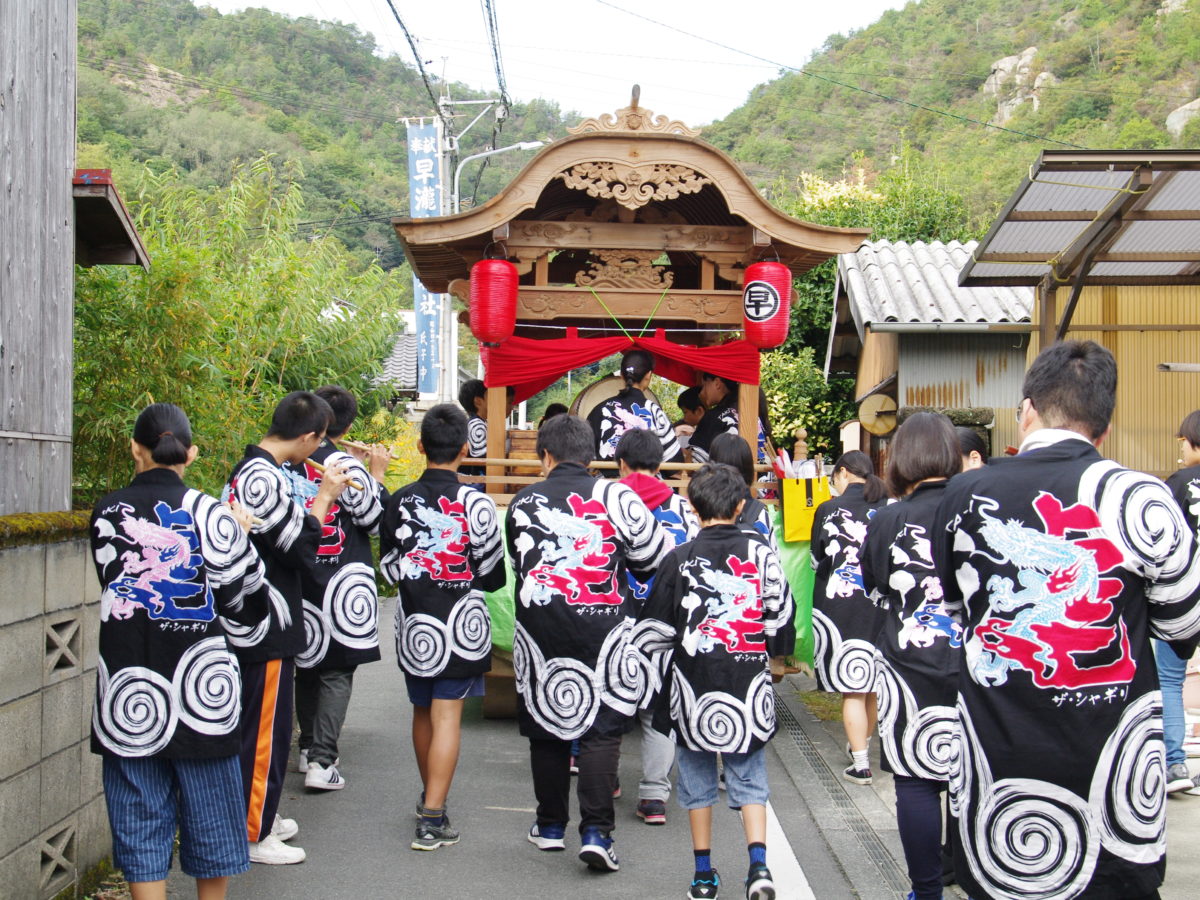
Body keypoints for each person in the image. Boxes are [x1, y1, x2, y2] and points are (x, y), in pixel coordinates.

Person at [935, 340, 1200, 900]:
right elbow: (1183, 627)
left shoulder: (963, 494)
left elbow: (963, 613)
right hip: (1115, 766)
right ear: (1104, 426)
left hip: (999, 756)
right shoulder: (1144, 499)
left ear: (1026, 409)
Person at [89, 403, 270, 900]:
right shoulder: (213, 515)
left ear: (135, 447)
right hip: (202, 692)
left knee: (139, 816)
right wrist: (241, 536)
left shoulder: (107, 512)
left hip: (129, 689)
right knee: (212, 812)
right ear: (190, 453)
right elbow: (247, 613)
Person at [505, 414, 670, 872]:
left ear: (545, 456)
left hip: (540, 629)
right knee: (603, 728)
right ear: (593, 455)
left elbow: (522, 565)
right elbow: (651, 560)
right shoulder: (618, 496)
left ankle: (551, 825)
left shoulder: (523, 502)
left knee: (546, 722)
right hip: (605, 629)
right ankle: (597, 832)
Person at [629, 463, 794, 900]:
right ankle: (759, 867)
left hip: (693, 688)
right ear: (741, 505)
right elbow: (780, 617)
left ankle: (703, 875)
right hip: (747, 684)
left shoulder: (678, 557)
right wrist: (767, 647)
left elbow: (656, 631)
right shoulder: (761, 552)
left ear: (691, 505)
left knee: (697, 783)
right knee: (750, 776)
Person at [225, 391, 352, 865]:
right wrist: (324, 497)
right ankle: (255, 832)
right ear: (307, 437)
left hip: (261, 614)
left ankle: (264, 812)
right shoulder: (262, 476)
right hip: (266, 617)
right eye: (317, 442)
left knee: (269, 727)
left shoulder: (256, 470)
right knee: (264, 731)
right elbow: (299, 549)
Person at [380, 403, 506, 850]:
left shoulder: (399, 500)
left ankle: (431, 798)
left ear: (420, 447)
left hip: (417, 625)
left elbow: (390, 570)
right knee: (447, 713)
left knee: (422, 709)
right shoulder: (477, 502)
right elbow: (493, 576)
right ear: (466, 448)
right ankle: (432, 816)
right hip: (461, 625)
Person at [860, 413, 962, 900]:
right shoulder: (977, 509)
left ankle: (926, 891)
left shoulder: (888, 519)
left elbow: (875, 586)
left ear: (900, 460)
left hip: (907, 668)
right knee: (971, 777)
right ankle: (972, 875)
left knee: (915, 782)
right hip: (974, 666)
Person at [284, 385, 390, 793]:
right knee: (336, 669)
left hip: (302, 575)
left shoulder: (289, 461)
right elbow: (376, 520)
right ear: (345, 426)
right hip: (344, 580)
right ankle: (323, 761)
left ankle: (308, 749)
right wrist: (375, 473)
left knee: (307, 665)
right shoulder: (347, 465)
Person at [615, 428, 701, 826]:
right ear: (659, 464)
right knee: (656, 710)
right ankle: (653, 796)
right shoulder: (683, 509)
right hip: (667, 621)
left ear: (621, 463)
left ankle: (607, 779)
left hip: (615, 617)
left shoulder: (608, 504)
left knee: (611, 703)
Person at [809, 450, 890, 786]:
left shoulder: (828, 509)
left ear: (842, 473)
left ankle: (860, 763)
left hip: (840, 606)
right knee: (869, 684)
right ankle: (862, 746)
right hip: (879, 604)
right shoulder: (886, 509)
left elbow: (816, 561)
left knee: (851, 689)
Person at [1161, 410, 1200, 793]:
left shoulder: (1179, 484)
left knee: (1170, 681)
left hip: (1186, 599)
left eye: (1183, 443)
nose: (1181, 451)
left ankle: (1175, 766)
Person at [587, 349, 683, 467]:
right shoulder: (654, 412)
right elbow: (674, 466)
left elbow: (585, 457)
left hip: (607, 483)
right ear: (648, 375)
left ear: (622, 375)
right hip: (645, 483)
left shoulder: (600, 410)